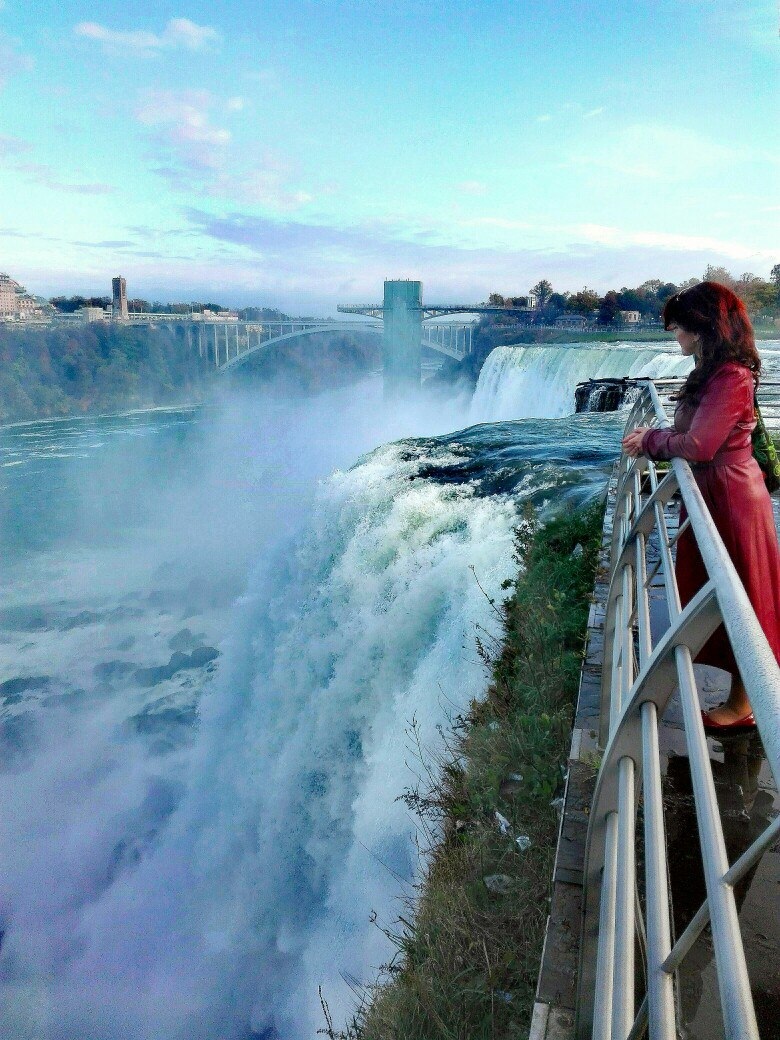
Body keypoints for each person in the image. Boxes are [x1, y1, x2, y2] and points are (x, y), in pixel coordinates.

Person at [622, 280, 780, 732]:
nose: (676, 335)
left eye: (680, 327)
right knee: (724, 593)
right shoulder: (714, 371)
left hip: (731, 498)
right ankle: (743, 694)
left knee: (744, 596)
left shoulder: (731, 376)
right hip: (717, 493)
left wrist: (651, 439)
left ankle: (747, 702)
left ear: (703, 327)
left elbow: (701, 443)